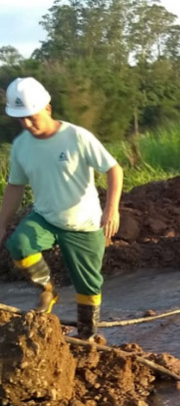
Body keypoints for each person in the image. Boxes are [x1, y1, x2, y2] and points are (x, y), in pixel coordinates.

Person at [0, 77, 123, 340]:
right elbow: (15, 186)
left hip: (85, 223)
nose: (27, 124)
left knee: (88, 285)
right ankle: (47, 289)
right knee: (19, 245)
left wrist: (111, 210)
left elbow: (114, 169)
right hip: (45, 217)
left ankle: (87, 337)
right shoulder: (21, 145)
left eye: (31, 116)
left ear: (48, 108)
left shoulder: (76, 137)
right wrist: (1, 221)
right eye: (21, 119)